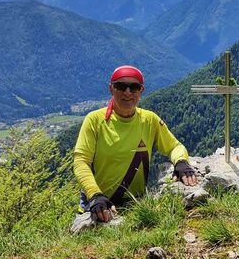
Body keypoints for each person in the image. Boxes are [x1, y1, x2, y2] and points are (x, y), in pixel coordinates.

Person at [73, 65, 198, 223]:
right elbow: (81, 161)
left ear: (141, 90)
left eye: (134, 87)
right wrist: (94, 194)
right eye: (121, 86)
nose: (127, 92)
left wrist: (181, 162)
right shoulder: (95, 120)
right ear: (111, 89)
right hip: (98, 208)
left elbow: (174, 146)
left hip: (136, 207)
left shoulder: (149, 120)